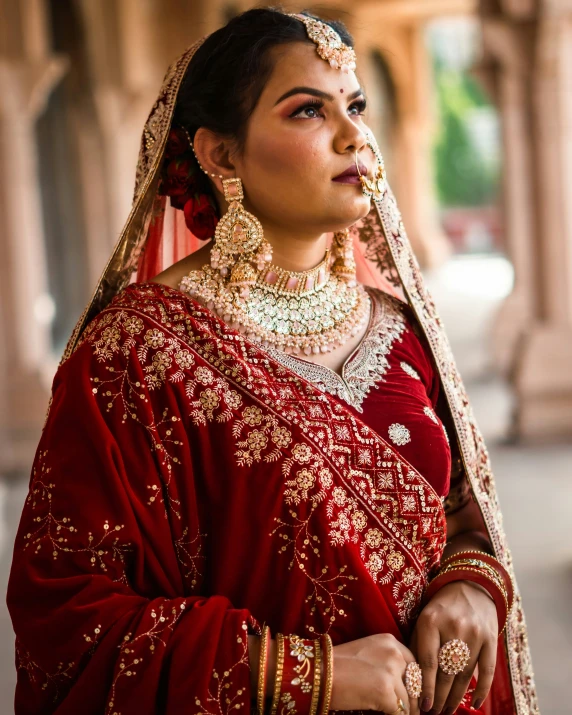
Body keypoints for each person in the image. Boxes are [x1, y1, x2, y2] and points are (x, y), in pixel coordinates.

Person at [7, 8, 538, 715]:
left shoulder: (400, 326)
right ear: (222, 155)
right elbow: (69, 624)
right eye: (308, 111)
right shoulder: (135, 354)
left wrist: (471, 582)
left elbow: (462, 516)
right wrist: (307, 676)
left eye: (355, 106)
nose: (355, 136)